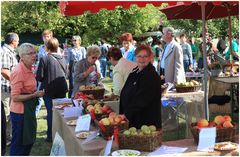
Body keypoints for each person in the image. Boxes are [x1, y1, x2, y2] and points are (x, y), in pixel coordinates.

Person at [9, 43, 45, 155]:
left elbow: (27, 88)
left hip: (27, 111)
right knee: (19, 144)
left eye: (35, 52)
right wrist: (34, 95)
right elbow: (15, 97)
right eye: (31, 53)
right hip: (20, 114)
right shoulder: (19, 71)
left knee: (28, 142)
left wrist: (34, 93)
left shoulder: (28, 67)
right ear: (22, 56)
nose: (34, 55)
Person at [119, 44, 162, 129]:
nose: (142, 59)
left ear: (150, 58)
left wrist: (126, 114)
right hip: (133, 120)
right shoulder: (134, 72)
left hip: (145, 123)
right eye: (139, 56)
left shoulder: (151, 75)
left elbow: (142, 99)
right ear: (135, 57)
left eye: (145, 56)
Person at [36, 38, 68, 142]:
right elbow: (66, 74)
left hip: (49, 90)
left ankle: (51, 136)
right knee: (61, 113)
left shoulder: (44, 59)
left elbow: (39, 76)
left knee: (51, 113)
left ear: (47, 47)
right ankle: (61, 134)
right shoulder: (63, 58)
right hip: (61, 89)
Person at [1, 32, 19, 146]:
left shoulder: (9, 51)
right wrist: (16, 81)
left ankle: (8, 137)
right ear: (13, 41)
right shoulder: (4, 52)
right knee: (6, 115)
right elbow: (4, 71)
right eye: (18, 40)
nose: (18, 43)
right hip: (5, 89)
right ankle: (5, 139)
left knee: (9, 115)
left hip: (9, 88)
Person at [35, 29, 53, 115]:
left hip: (51, 74)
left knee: (50, 96)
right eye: (45, 37)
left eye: (48, 36)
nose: (46, 38)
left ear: (51, 37)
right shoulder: (41, 48)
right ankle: (35, 113)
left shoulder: (54, 47)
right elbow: (38, 62)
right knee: (39, 93)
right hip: (41, 74)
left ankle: (51, 114)